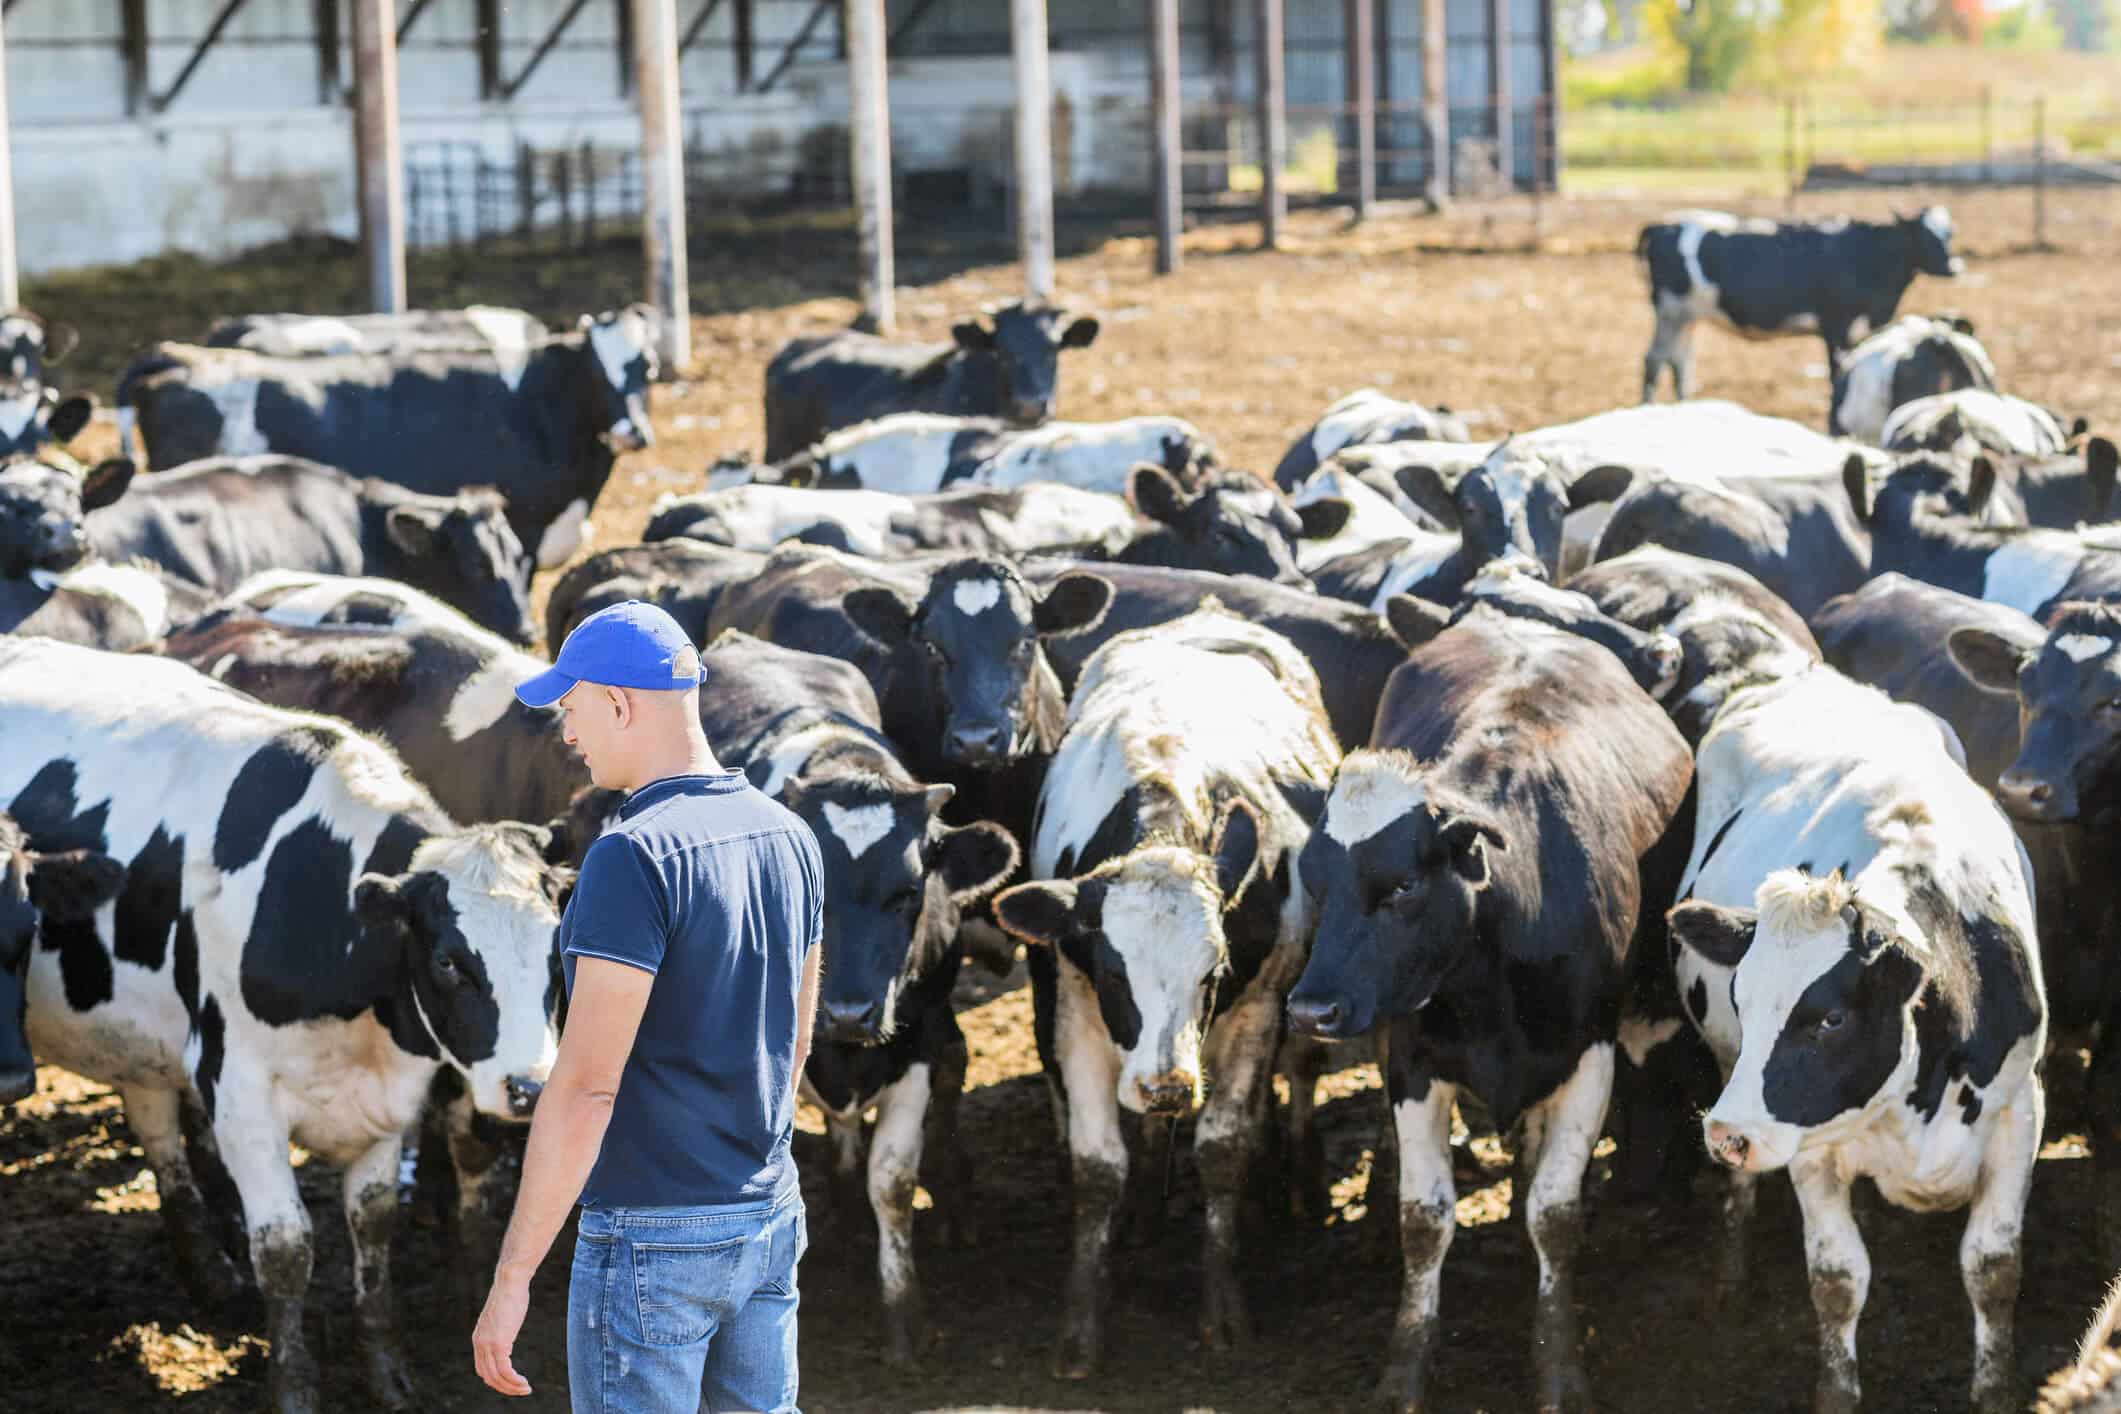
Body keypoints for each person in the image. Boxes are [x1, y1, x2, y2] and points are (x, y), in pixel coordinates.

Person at [471, 600, 823, 1413]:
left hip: (652, 1233)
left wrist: (513, 1275)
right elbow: (793, 1036)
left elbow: (588, 1084)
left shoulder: (631, 856)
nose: (567, 732)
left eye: (573, 706)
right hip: (766, 1211)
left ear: (620, 703)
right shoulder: (786, 835)